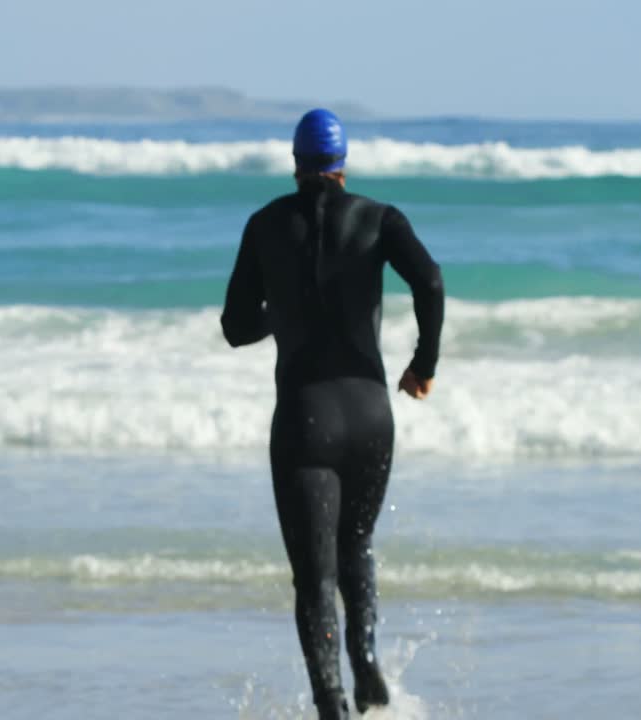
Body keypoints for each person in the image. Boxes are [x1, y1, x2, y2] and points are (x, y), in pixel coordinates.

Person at [220, 109, 444, 720]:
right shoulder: (379, 218)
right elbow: (429, 280)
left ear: (296, 164)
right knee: (358, 546)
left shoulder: (265, 224)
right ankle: (366, 659)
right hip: (371, 415)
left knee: (315, 577)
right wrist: (423, 365)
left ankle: (333, 705)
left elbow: (235, 328)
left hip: (305, 419)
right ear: (342, 165)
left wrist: (281, 313)